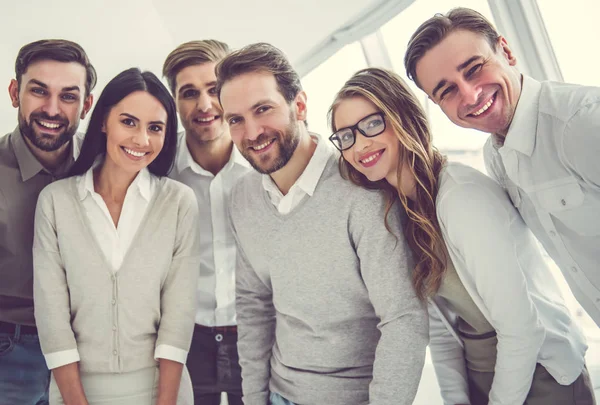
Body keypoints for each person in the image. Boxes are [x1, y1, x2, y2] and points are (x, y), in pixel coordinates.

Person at [328, 67, 595, 405]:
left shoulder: (461, 195)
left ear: (402, 117)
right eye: (345, 136)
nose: (359, 144)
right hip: (482, 375)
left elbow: (522, 329)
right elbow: (441, 328)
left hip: (541, 373)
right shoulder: (401, 215)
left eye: (371, 124)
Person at [215, 43, 428, 405]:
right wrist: (253, 399)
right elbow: (254, 306)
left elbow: (403, 319)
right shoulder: (242, 196)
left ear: (299, 105)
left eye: (263, 109)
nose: (251, 133)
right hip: (278, 395)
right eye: (236, 119)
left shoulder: (363, 189)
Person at [404, 7, 600, 327]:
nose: (469, 94)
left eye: (474, 69)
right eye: (447, 90)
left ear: (506, 52)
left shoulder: (582, 121)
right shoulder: (495, 157)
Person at [32, 67, 200, 405]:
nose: (142, 140)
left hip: (161, 389)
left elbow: (178, 316)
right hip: (75, 391)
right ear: (103, 121)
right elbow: (52, 316)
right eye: (129, 122)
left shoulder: (179, 202)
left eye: (155, 128)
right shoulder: (55, 201)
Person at [0, 39, 95, 405]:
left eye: (68, 96)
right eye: (39, 91)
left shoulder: (107, 164)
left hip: (90, 351)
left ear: (86, 105)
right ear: (14, 92)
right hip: (10, 352)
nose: (52, 109)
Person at [163, 39, 250, 405]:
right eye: (189, 93)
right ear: (174, 103)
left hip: (257, 332)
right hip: (186, 337)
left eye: (214, 90)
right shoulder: (159, 168)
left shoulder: (263, 163)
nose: (204, 105)